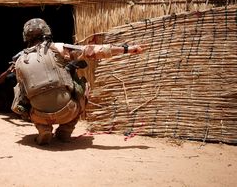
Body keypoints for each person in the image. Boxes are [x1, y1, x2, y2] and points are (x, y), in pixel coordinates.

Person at [12, 18, 145, 145]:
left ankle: (43, 128)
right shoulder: (57, 48)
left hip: (38, 115)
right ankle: (65, 130)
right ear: (46, 31)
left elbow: (23, 94)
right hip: (68, 112)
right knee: (84, 86)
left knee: (22, 90)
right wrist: (126, 49)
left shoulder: (19, 60)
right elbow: (94, 50)